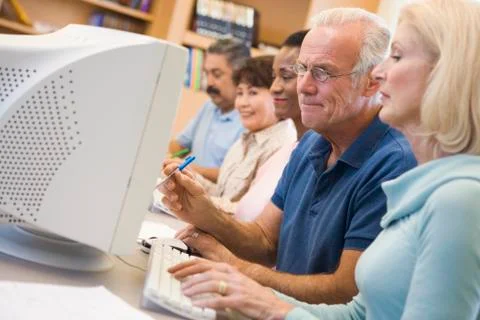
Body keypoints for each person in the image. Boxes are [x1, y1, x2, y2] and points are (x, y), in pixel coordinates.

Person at [168, 0, 480, 319]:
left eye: (397, 57)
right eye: (303, 69)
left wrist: (242, 277)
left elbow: (344, 291)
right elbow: (360, 312)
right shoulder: (315, 143)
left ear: (447, 76)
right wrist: (257, 295)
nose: (302, 85)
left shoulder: (453, 196)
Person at [192, 55, 297, 213]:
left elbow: (251, 213)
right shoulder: (245, 139)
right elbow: (224, 194)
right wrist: (189, 179)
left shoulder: (283, 147)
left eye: (253, 93)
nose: (242, 103)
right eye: (240, 93)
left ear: (278, 96)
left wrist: (198, 200)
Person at [235, 29, 309, 221]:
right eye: (274, 76)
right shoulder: (289, 150)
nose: (274, 87)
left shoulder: (308, 156)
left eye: (286, 77)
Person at [168, 39, 250, 182]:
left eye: (217, 74)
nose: (209, 82)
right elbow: (180, 145)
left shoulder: (249, 120)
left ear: (241, 75)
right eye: (207, 74)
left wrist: (191, 169)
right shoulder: (209, 107)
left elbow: (234, 177)